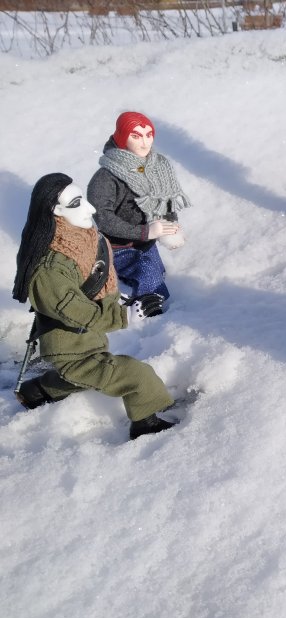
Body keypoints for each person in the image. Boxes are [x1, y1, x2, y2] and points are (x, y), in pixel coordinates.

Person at [12, 173, 176, 441]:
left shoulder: (79, 242)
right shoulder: (50, 270)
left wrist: (118, 303)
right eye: (77, 203)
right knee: (135, 375)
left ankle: (38, 391)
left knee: (81, 377)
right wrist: (123, 316)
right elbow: (76, 311)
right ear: (56, 211)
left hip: (85, 340)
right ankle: (146, 423)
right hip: (70, 350)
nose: (90, 208)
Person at [87, 111, 189, 317]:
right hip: (117, 245)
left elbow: (165, 199)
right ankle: (142, 304)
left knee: (157, 271)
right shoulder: (106, 176)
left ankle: (130, 282)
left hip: (146, 243)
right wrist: (145, 232)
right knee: (148, 274)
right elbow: (103, 218)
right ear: (123, 137)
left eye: (149, 134)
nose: (145, 142)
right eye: (136, 136)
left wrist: (170, 225)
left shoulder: (157, 167)